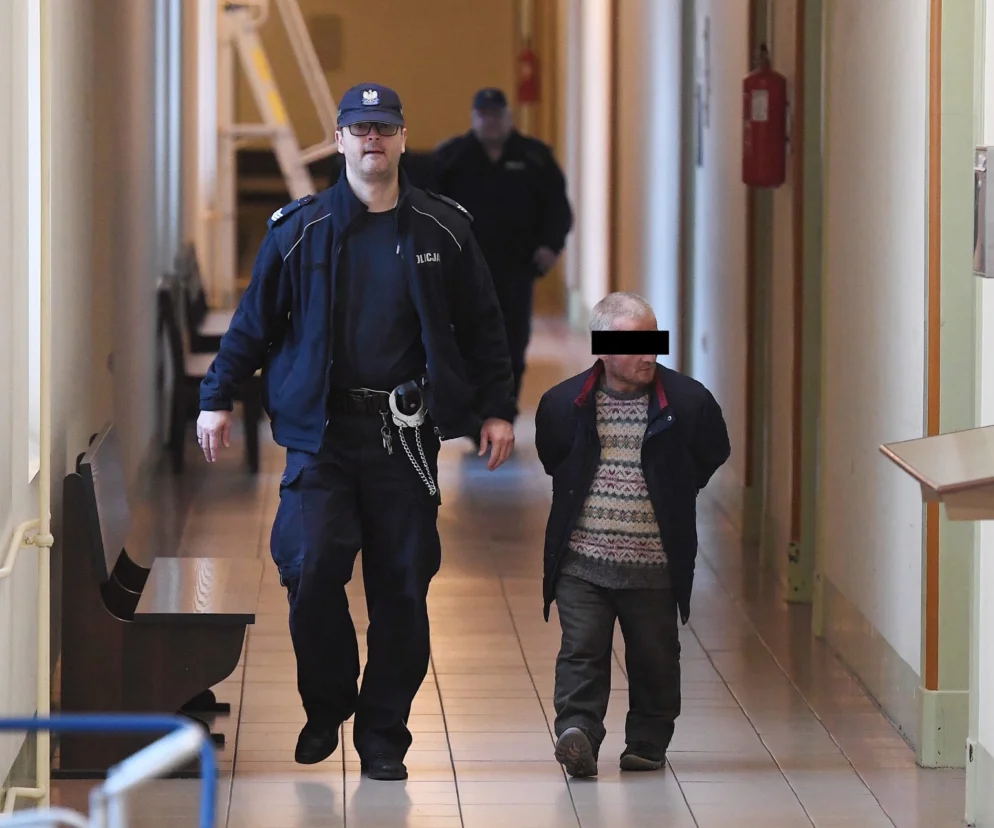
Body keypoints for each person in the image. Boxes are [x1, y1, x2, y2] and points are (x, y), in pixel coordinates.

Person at [195, 82, 516, 781]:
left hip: (404, 437)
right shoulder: (300, 229)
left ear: (402, 139)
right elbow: (253, 323)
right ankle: (328, 701)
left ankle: (382, 735)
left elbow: (484, 327)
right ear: (339, 140)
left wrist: (497, 408)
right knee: (310, 568)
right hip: (323, 435)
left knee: (402, 589)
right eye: (360, 128)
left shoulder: (442, 229)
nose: (373, 138)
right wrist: (215, 396)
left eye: (385, 127)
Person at [533, 292, 730, 778]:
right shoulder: (563, 404)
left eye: (653, 341)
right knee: (581, 649)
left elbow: (712, 452)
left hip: (654, 565)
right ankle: (577, 732)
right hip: (582, 561)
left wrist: (673, 489)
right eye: (635, 344)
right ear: (602, 349)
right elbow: (554, 457)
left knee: (655, 658)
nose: (649, 355)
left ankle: (647, 741)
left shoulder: (688, 403)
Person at [432, 87, 573, 417]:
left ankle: (503, 408)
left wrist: (551, 246)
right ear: (473, 118)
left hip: (516, 267)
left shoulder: (535, 157)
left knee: (512, 340)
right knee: (468, 340)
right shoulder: (452, 158)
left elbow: (558, 208)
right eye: (484, 115)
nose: (490, 122)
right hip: (465, 270)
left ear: (508, 117)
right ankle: (476, 411)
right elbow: (429, 209)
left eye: (496, 115)